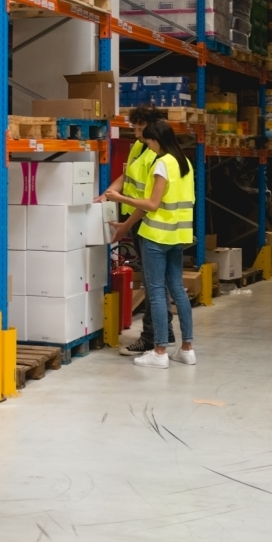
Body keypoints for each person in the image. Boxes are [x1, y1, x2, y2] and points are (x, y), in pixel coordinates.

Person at [101, 118, 196, 368]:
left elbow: (152, 204)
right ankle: (187, 348)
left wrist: (120, 197)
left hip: (156, 236)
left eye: (150, 141)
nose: (148, 145)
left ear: (157, 140)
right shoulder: (185, 162)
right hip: (179, 235)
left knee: (155, 290)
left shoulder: (162, 164)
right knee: (177, 289)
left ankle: (160, 352)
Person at [95, 104, 169, 356]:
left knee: (153, 283)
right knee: (155, 282)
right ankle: (164, 331)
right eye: (134, 128)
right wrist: (107, 194)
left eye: (141, 128)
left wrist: (126, 224)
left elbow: (149, 202)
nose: (137, 133)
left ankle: (151, 337)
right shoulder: (140, 146)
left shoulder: (157, 154)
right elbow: (127, 178)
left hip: (147, 221)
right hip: (137, 218)